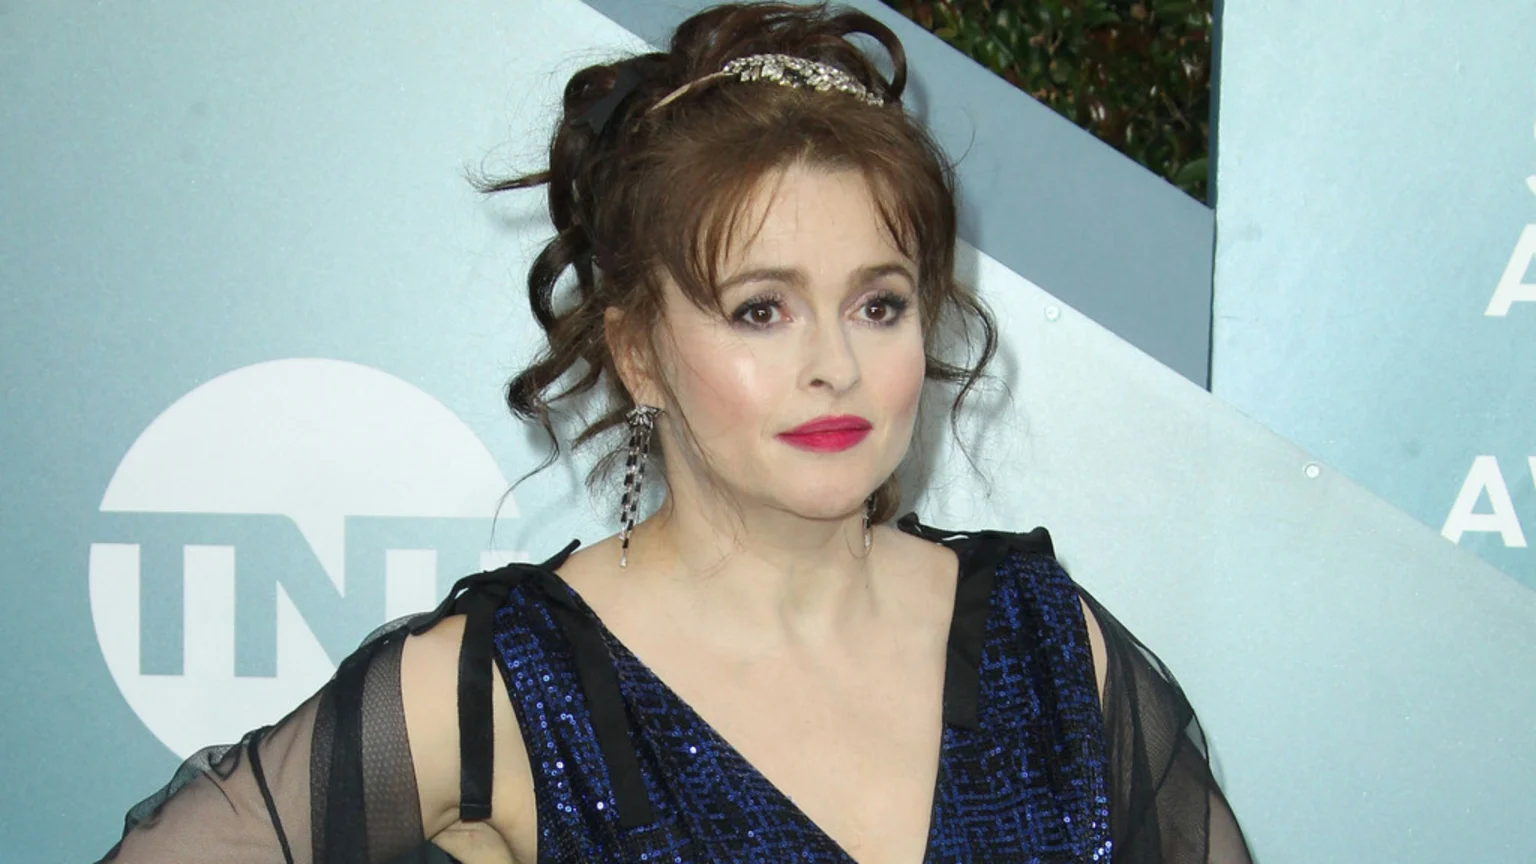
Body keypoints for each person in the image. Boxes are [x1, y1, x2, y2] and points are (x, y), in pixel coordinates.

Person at [97, 3, 1252, 862]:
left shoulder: (1052, 647)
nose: (834, 364)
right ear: (639, 349)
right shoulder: (508, 688)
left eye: (878, 303)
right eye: (762, 308)